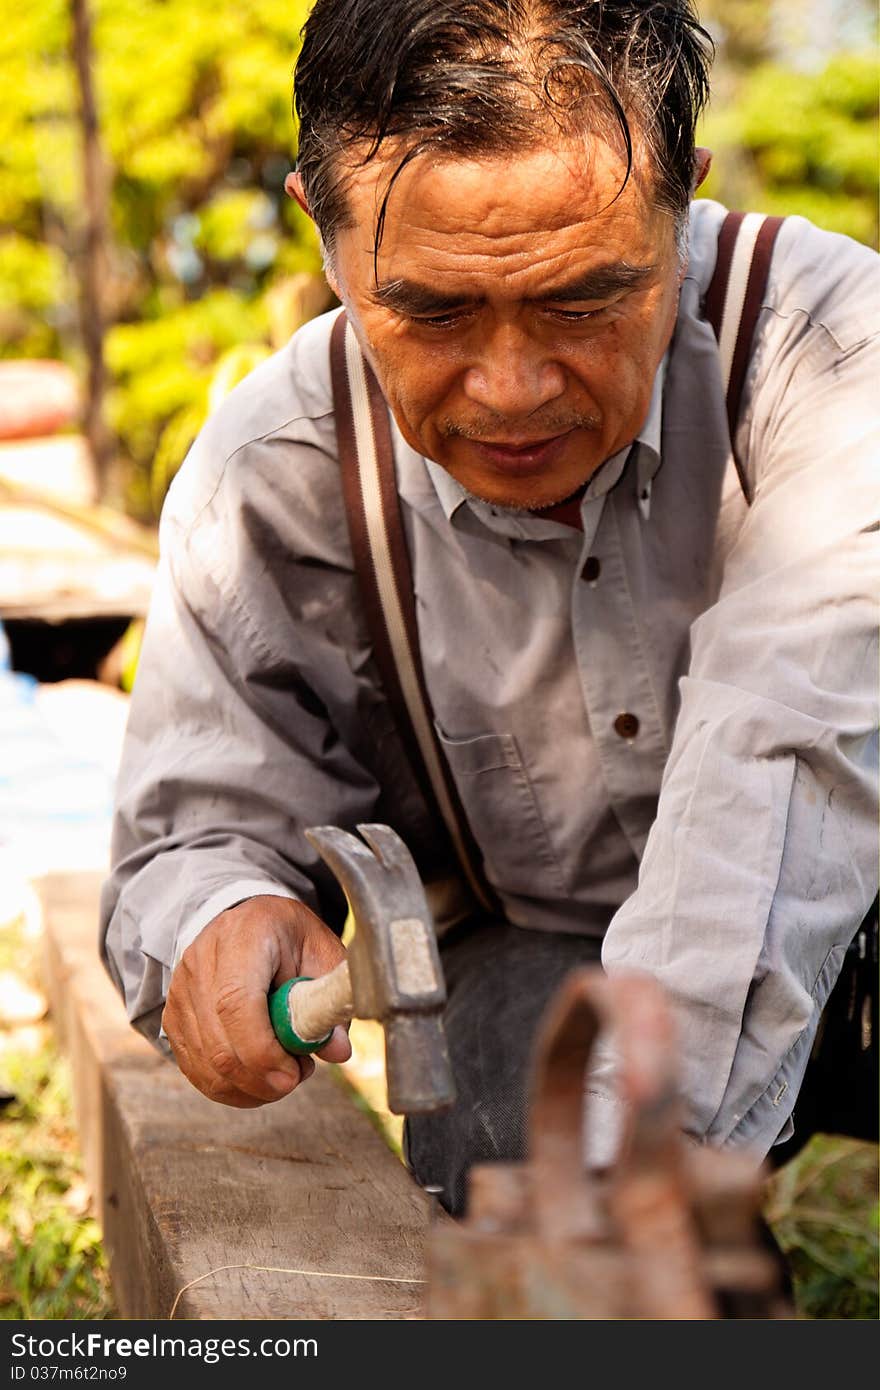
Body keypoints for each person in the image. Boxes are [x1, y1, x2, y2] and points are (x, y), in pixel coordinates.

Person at [100, 0, 879, 1217]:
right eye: (436, 311)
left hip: (859, 917)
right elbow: (191, 834)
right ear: (325, 240)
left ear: (685, 207)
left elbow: (782, 766)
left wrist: (617, 1175)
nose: (512, 391)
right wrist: (216, 910)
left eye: (582, 302)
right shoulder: (277, 472)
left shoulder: (835, 357)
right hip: (545, 962)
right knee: (511, 1125)